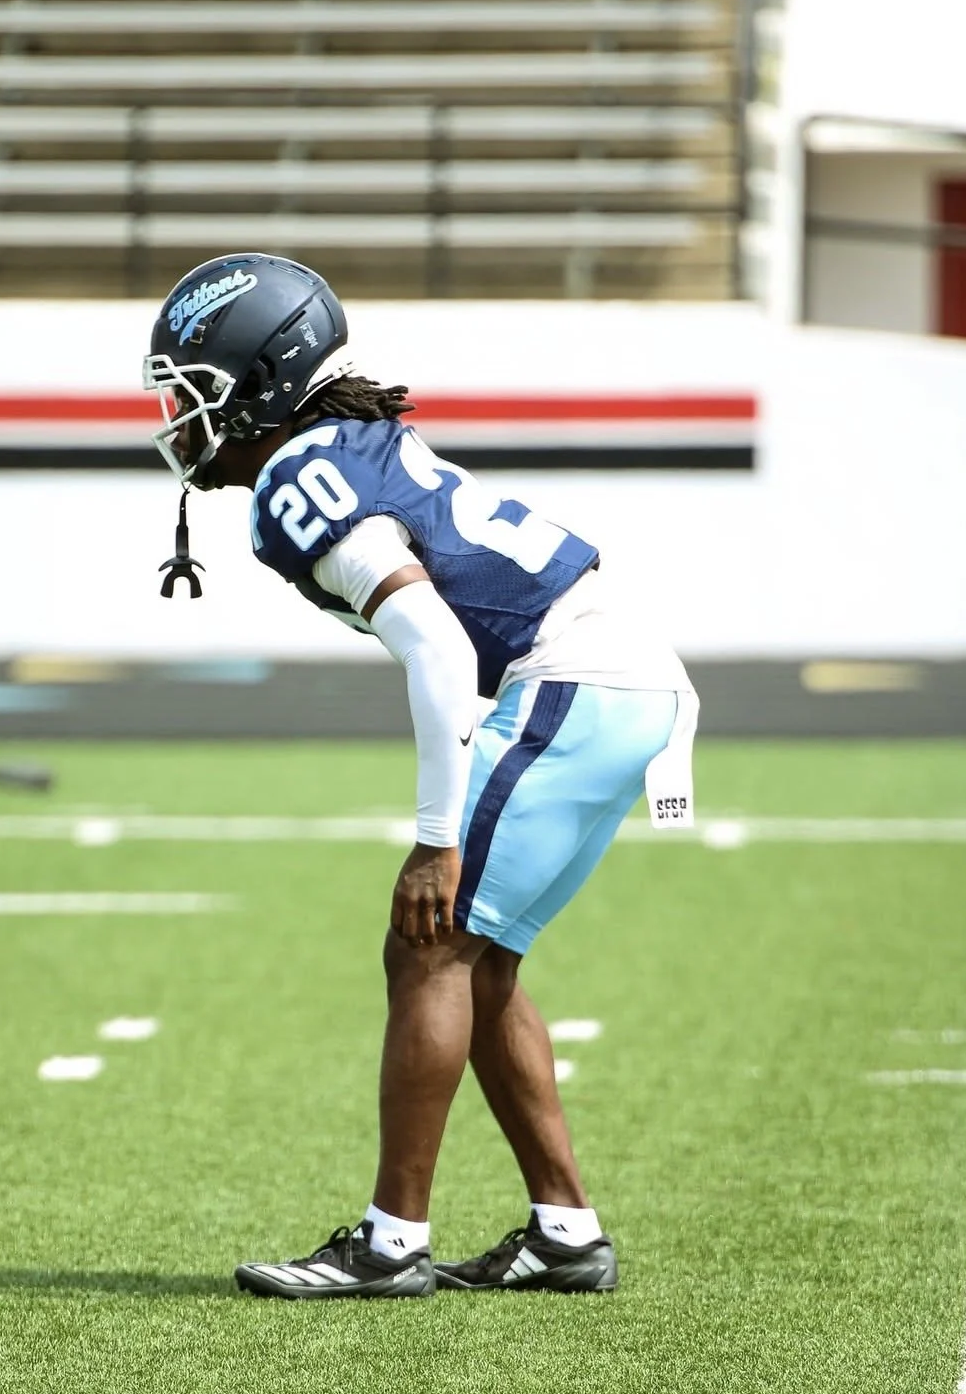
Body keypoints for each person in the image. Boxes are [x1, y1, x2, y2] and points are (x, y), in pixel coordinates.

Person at [142, 252, 698, 1301]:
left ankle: (391, 1243)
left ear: (261, 381)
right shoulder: (350, 444)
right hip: (627, 681)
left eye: (197, 390)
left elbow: (437, 647)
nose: (181, 417)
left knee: (429, 944)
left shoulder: (299, 480)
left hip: (573, 678)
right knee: (479, 962)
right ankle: (565, 1232)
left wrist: (435, 838)